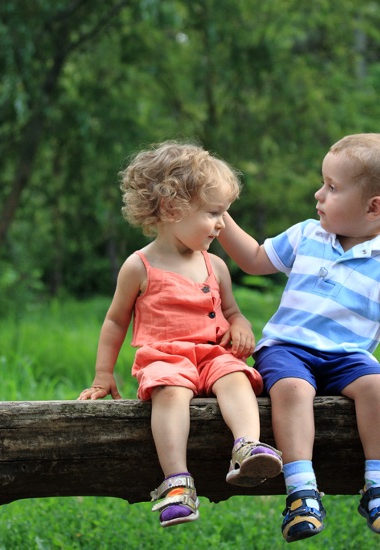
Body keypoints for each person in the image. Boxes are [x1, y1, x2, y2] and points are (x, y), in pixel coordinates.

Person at [217, 133, 380, 542]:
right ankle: (301, 492)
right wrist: (219, 214)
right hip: (288, 349)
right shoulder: (308, 235)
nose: (319, 194)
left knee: (377, 386)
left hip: (348, 356)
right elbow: (254, 259)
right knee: (292, 389)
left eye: (332, 187)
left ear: (373, 207)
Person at [78, 141, 282, 528]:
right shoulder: (139, 266)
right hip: (166, 358)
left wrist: (240, 325)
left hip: (213, 354)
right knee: (169, 393)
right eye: (213, 213)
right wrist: (103, 374)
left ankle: (247, 446)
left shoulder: (215, 265)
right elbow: (115, 321)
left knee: (236, 377)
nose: (222, 224)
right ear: (172, 209)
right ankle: (176, 482)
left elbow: (232, 311)